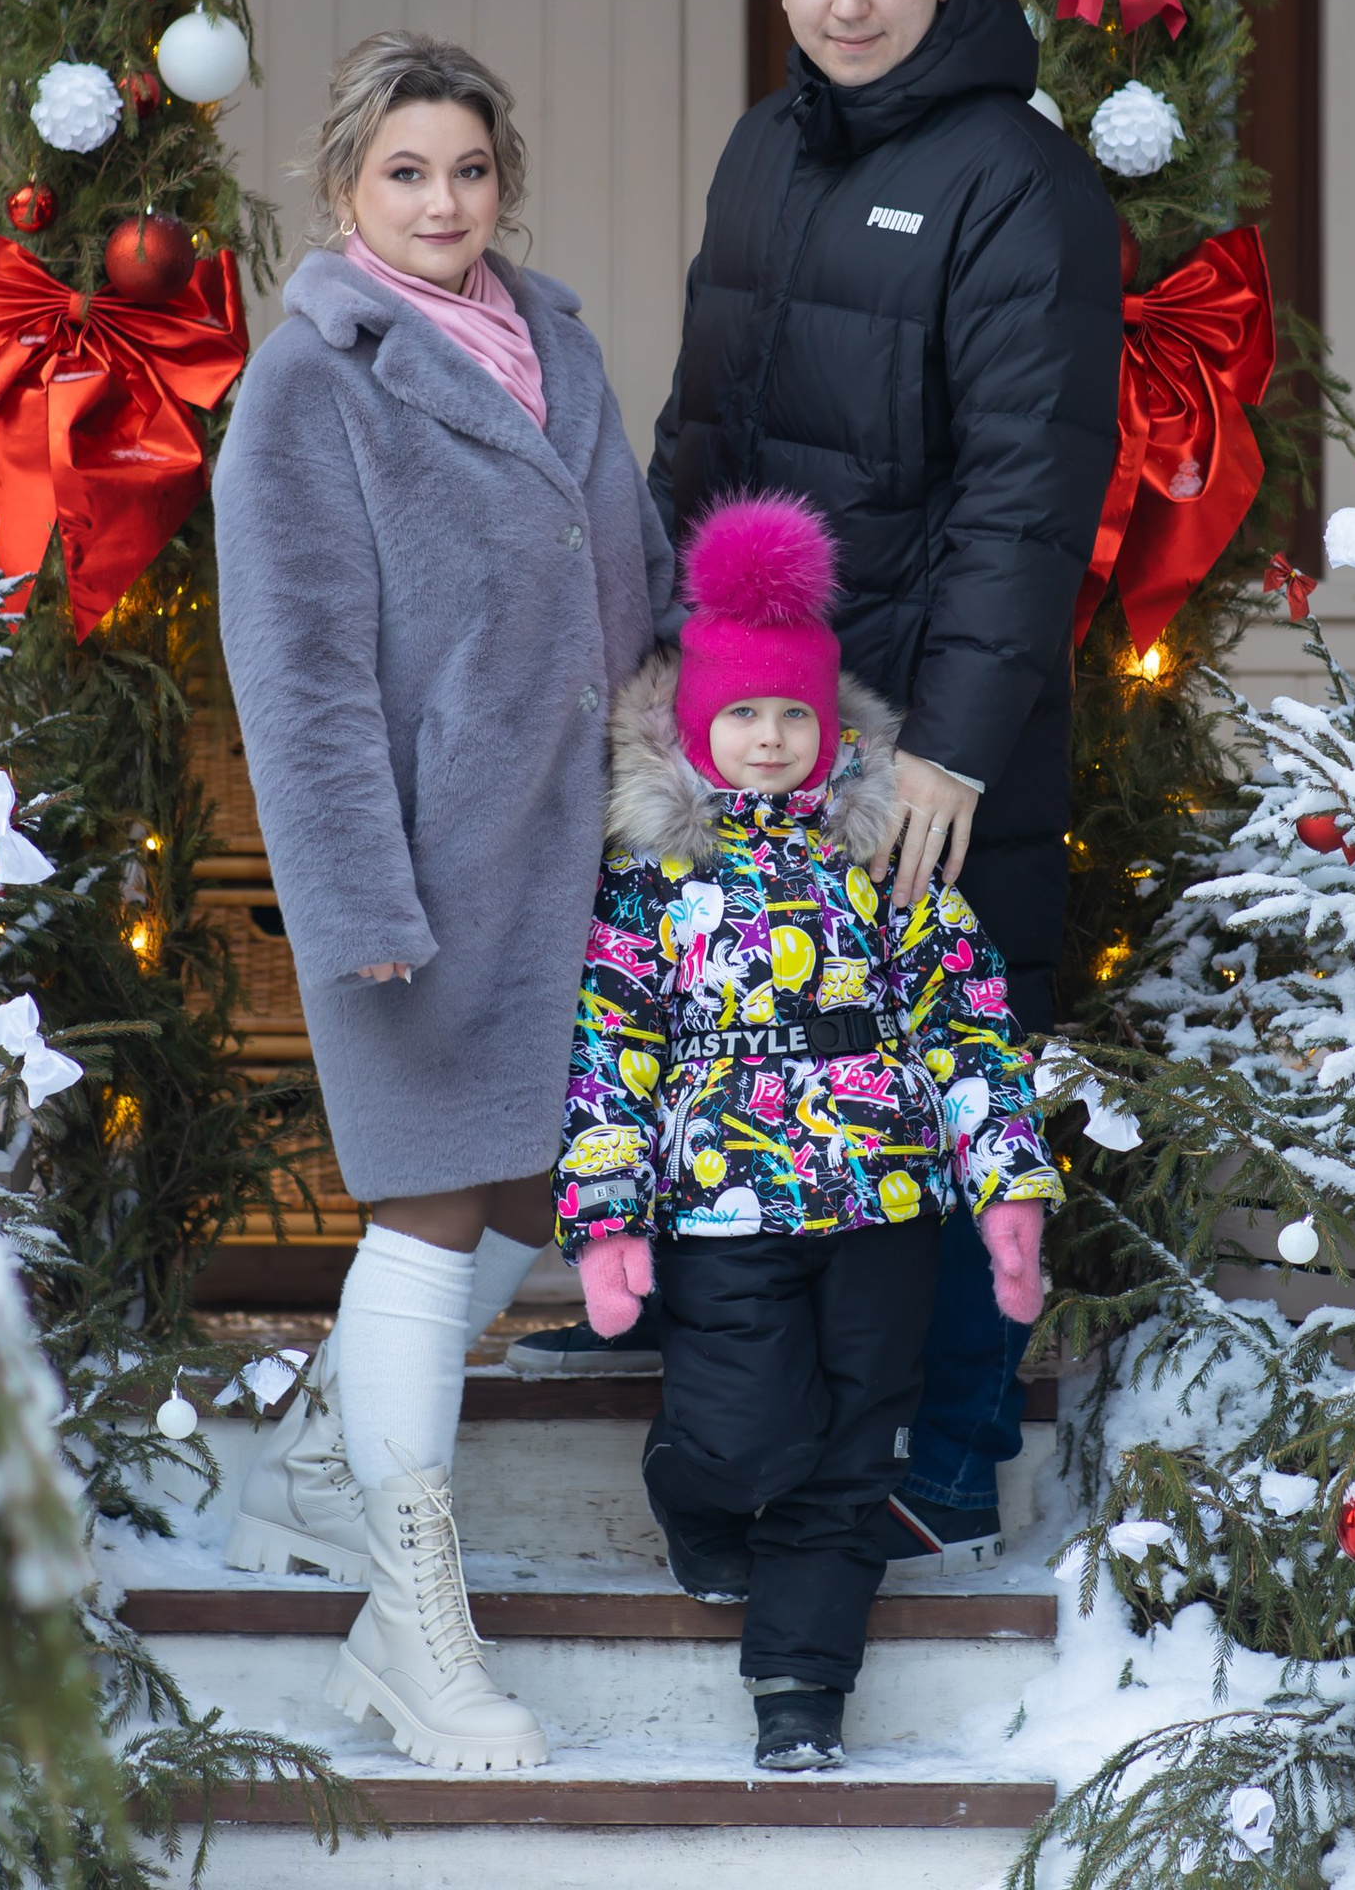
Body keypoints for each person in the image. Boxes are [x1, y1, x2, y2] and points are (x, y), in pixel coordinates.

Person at [520, 0, 1121, 1575]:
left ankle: (945, 1443)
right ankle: (735, 1391)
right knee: (738, 1047)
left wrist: (953, 744)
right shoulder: (764, 152)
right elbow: (708, 431)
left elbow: (1035, 478)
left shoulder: (1022, 179)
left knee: (925, 1069)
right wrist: (659, 673)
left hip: (923, 735)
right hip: (750, 726)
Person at [213, 32, 674, 1772]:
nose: (440, 202)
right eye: (404, 173)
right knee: (424, 1206)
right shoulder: (306, 389)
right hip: (416, 865)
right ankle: (407, 1626)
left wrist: (672, 795)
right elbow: (302, 670)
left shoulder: (555, 339)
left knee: (545, 1184)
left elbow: (622, 569)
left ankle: (328, 1467)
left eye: (468, 170)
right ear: (344, 193)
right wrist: (352, 893)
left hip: (578, 845)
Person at [558, 493, 1062, 1769]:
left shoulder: (886, 859)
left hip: (884, 1201)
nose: (772, 738)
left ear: (831, 727)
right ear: (696, 728)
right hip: (721, 1204)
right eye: (744, 714)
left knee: (850, 1450)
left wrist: (1004, 1187)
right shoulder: (655, 885)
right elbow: (611, 1058)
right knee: (744, 1431)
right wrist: (606, 1221)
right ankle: (695, 1491)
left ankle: (799, 1695)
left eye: (794, 714)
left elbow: (965, 1026)